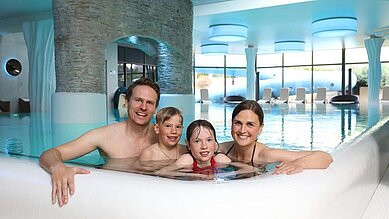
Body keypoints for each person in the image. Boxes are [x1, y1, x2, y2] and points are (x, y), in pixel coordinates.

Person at [39, 77, 160, 207]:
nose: (143, 107)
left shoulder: (163, 136)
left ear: (155, 109)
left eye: (149, 103)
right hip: (115, 196)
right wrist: (57, 167)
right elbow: (52, 153)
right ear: (126, 101)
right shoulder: (104, 136)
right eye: (138, 100)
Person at [219, 100, 333, 175]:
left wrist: (299, 163)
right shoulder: (221, 149)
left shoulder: (266, 155)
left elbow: (325, 157)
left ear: (260, 129)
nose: (242, 130)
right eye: (238, 123)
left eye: (250, 124)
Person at [156, 119, 231, 179]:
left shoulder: (221, 159)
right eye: (197, 141)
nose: (204, 146)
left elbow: (240, 171)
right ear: (188, 144)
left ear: (214, 143)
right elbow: (162, 172)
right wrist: (198, 176)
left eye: (209, 140)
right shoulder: (187, 160)